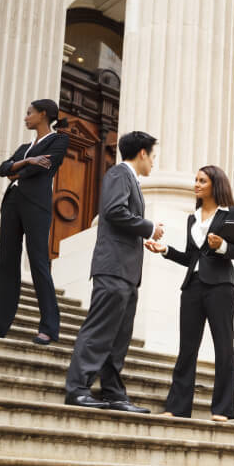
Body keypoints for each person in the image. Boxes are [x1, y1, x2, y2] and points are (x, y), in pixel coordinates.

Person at [63, 131, 164, 411]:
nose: (154, 162)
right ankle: (77, 389)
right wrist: (149, 227)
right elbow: (115, 211)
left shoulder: (131, 179)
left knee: (119, 338)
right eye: (153, 156)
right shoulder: (119, 174)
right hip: (113, 268)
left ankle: (112, 392)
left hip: (128, 272)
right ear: (142, 153)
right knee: (99, 331)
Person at [144, 165, 234, 422]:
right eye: (196, 180)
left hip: (221, 287)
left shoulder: (231, 211)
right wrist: (165, 249)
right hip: (192, 286)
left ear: (216, 184)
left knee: (224, 347)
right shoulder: (194, 216)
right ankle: (178, 407)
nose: (197, 184)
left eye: (202, 180)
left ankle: (223, 409)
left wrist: (222, 245)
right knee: (187, 348)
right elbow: (192, 257)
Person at [0, 99, 71, 345]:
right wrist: (28, 161)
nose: (25, 117)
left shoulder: (60, 140)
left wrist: (18, 169)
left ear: (42, 114)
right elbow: (3, 169)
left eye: (29, 113)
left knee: (39, 262)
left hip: (36, 205)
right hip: (12, 203)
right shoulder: (24, 147)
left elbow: (46, 166)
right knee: (7, 263)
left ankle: (49, 328)